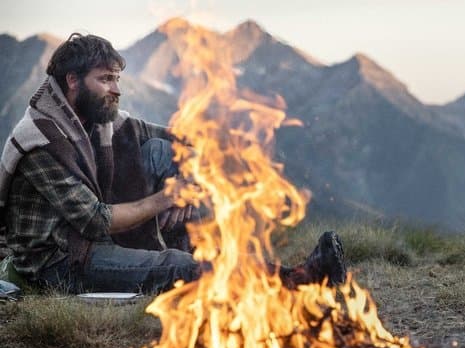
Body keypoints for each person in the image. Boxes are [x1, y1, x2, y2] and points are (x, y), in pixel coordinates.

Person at [0, 33, 346, 294]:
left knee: (160, 152)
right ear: (72, 81)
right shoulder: (42, 141)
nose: (116, 89)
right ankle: (293, 280)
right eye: (105, 79)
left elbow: (171, 138)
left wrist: (212, 156)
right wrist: (166, 199)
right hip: (61, 261)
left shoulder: (90, 118)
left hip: (89, 235)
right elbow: (95, 221)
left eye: (117, 79)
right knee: (175, 267)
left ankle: (199, 250)